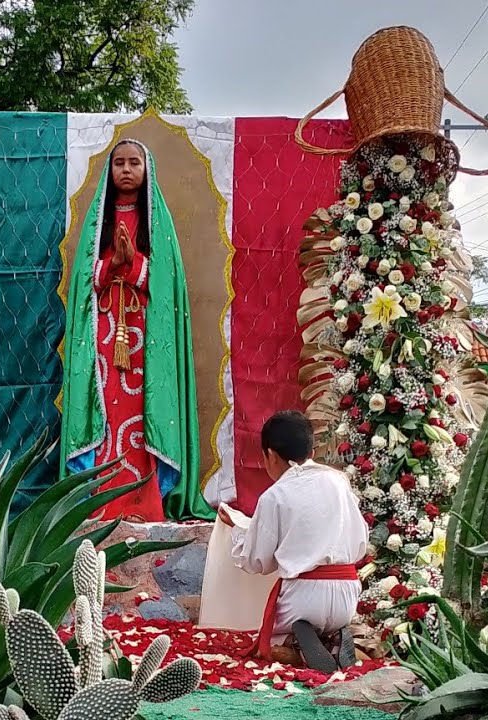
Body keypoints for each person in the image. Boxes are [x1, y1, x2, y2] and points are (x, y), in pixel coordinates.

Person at [60, 139, 211, 522]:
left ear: (147, 170)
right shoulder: (99, 222)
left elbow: (166, 284)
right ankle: (101, 500)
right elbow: (84, 284)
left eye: (134, 163)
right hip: (103, 340)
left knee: (143, 413)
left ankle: (143, 502)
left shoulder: (157, 222)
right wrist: (113, 265)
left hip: (147, 340)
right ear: (109, 171)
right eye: (119, 163)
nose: (126, 170)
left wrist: (134, 262)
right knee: (107, 410)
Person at [223, 411, 367, 672]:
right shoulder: (339, 482)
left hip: (302, 602)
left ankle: (295, 645)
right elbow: (360, 542)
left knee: (271, 639)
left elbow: (256, 562)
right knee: (325, 620)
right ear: (311, 452)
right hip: (347, 594)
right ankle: (333, 638)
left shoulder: (275, 495)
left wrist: (238, 530)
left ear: (271, 455)